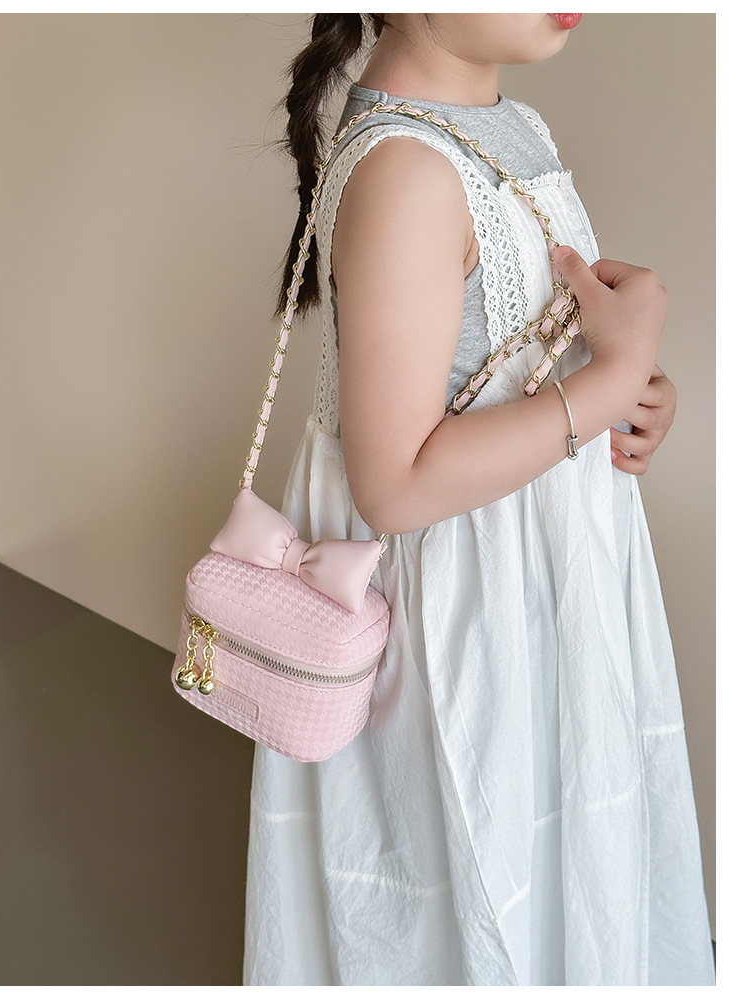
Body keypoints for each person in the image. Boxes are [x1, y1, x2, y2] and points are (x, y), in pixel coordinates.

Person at [242, 14, 714, 986]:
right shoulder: (407, 173)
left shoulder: (513, 124)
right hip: (462, 605)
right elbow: (396, 483)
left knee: (551, 831)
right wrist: (605, 384)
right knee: (471, 858)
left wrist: (619, 384)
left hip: (537, 571)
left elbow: (500, 360)